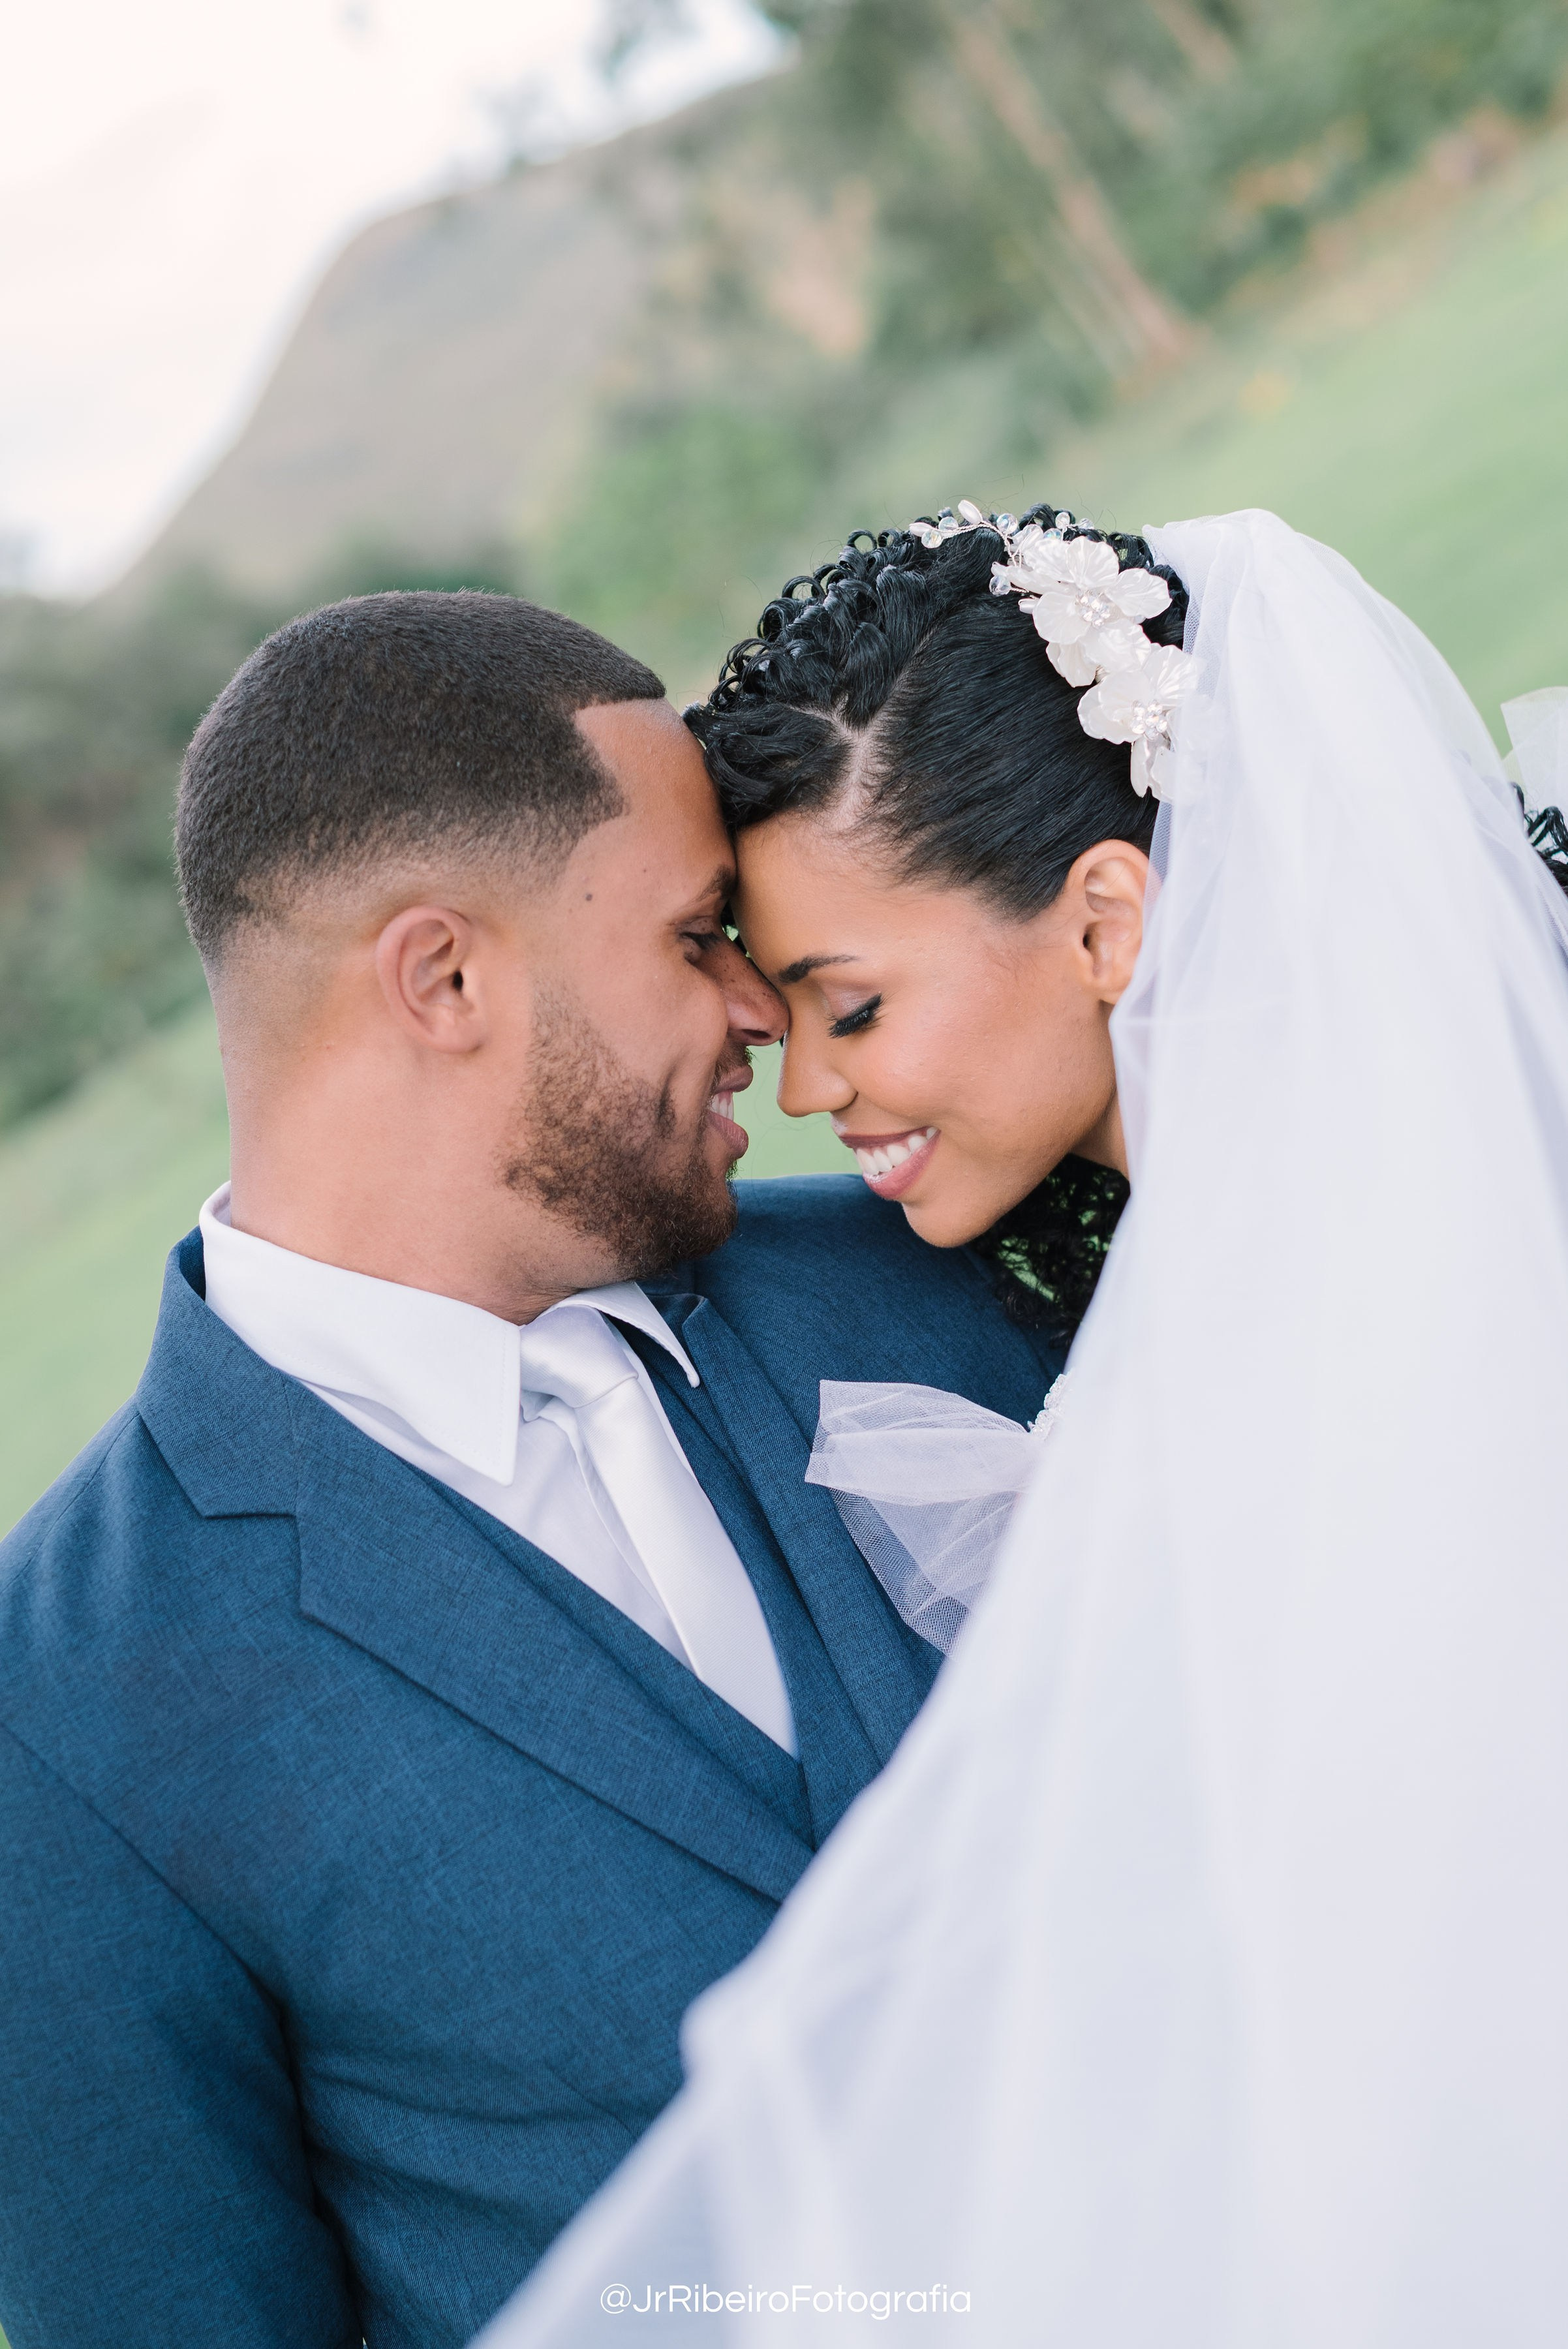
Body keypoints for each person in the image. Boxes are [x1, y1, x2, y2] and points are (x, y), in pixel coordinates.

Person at [482, 505, 1568, 2346]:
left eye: (849, 1006)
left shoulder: (1343, 1301)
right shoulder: (1166, 1248)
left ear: (1100, 917)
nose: (808, 1087)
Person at [0, 591, 1062, 2349]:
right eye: (694, 933)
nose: (755, 1013)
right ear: (444, 978)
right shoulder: (58, 1711)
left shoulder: (941, 1270)